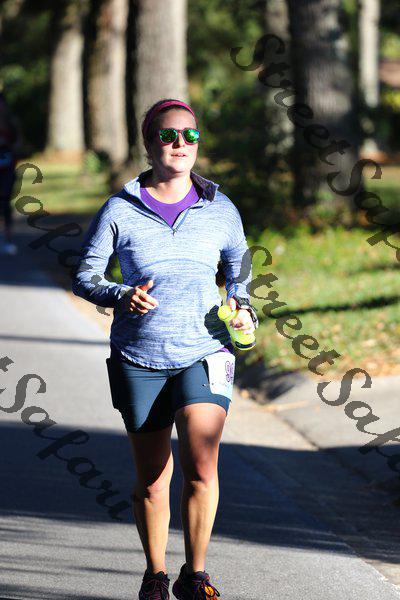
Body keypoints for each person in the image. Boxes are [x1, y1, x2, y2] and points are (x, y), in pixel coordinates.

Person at [72, 98, 259, 600]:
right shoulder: (120, 208)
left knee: (202, 464)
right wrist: (120, 295)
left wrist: (243, 306)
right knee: (153, 479)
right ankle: (155, 575)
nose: (180, 144)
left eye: (190, 135)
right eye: (168, 135)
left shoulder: (220, 208)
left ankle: (195, 576)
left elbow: (239, 272)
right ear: (149, 143)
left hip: (206, 348)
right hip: (139, 356)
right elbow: (85, 274)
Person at [0, 91, 22, 255]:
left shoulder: (11, 123)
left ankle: (7, 238)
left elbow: (19, 144)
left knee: (5, 201)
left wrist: (9, 146)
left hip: (7, 169)